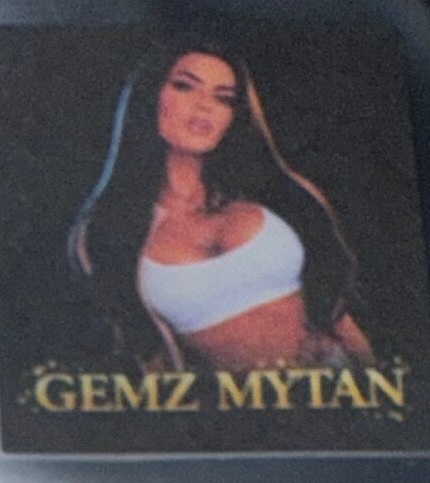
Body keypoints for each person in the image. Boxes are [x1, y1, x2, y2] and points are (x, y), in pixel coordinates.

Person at [69, 39, 374, 372]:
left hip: (335, 386)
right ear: (151, 96)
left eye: (223, 98)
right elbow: (154, 364)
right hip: (234, 402)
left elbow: (339, 317)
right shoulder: (111, 233)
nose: (205, 106)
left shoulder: (275, 195)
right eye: (185, 86)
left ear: (233, 115)